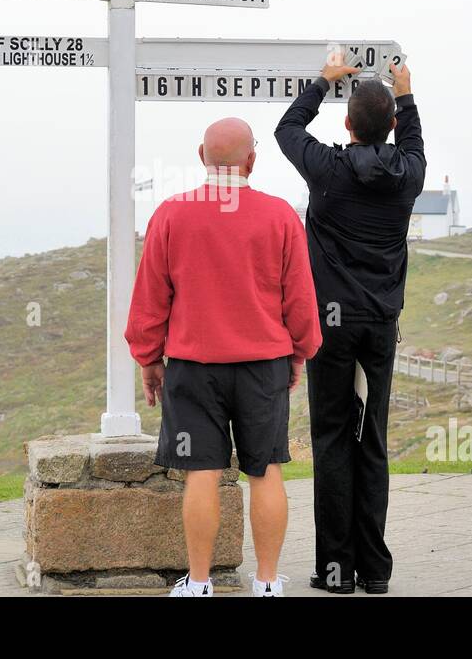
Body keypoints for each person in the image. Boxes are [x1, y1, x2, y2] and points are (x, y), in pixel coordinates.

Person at [125, 118, 322, 597]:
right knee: (266, 470)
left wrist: (149, 359)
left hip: (193, 369)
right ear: (251, 160)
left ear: (201, 156)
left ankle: (197, 583)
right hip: (263, 366)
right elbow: (299, 301)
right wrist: (300, 353)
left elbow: (151, 298)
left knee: (202, 473)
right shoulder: (279, 217)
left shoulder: (171, 215)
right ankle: (269, 584)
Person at [275, 59, 426, 595]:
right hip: (381, 325)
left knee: (333, 439)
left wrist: (322, 80)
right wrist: (405, 94)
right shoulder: (409, 174)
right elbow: (411, 139)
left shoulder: (327, 169)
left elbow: (286, 129)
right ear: (390, 127)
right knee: (373, 442)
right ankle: (376, 572)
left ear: (346, 125)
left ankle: (336, 572)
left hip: (331, 326)